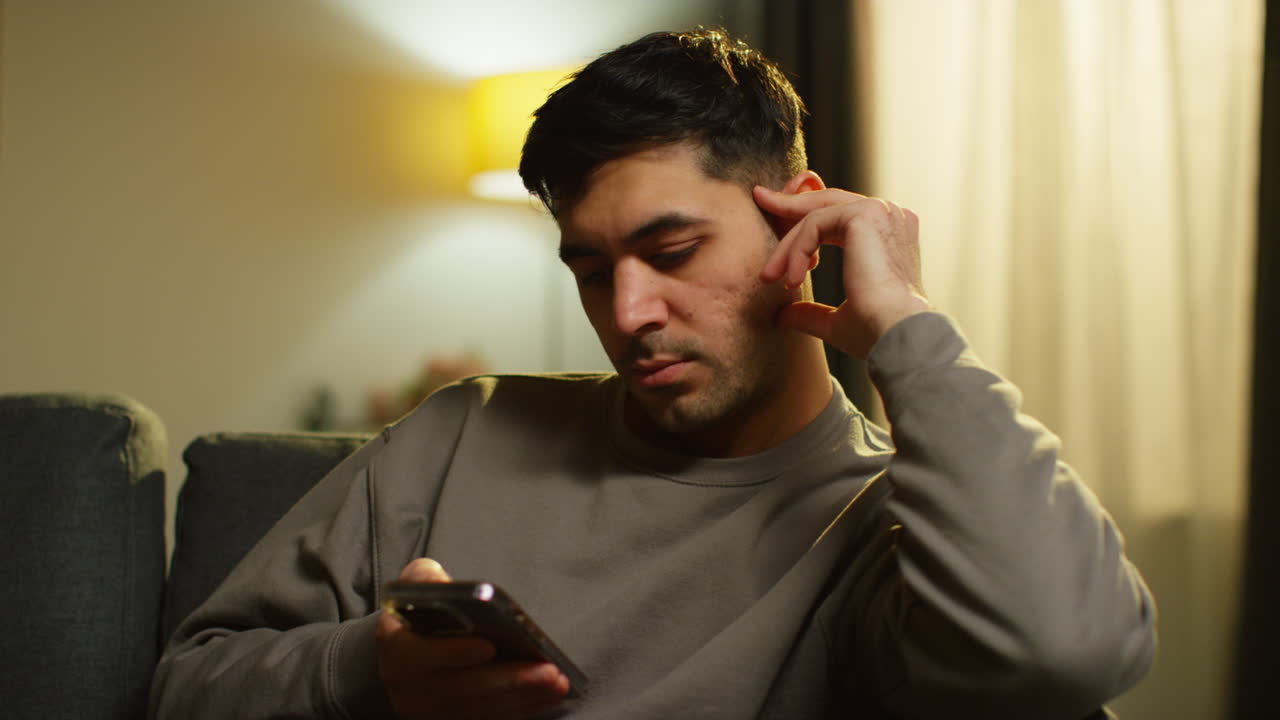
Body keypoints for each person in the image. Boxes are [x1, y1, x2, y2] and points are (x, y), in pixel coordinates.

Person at [149, 28, 1155, 719]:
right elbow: (183, 690)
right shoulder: (461, 433)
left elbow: (1065, 649)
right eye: (590, 271)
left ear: (798, 223)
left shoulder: (887, 527)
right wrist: (368, 671)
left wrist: (903, 324)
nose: (626, 314)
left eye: (669, 253)